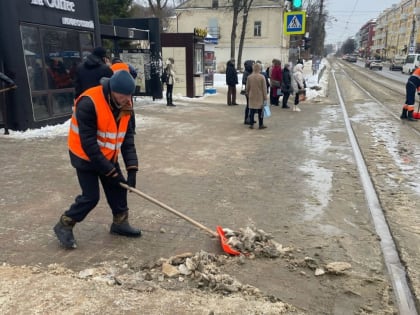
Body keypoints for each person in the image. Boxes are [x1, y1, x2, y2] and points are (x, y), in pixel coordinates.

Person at [53, 70, 141, 249]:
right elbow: (89, 144)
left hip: (108, 154)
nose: (127, 99)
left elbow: (127, 137)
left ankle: (120, 223)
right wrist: (110, 171)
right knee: (91, 197)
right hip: (85, 156)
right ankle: (65, 224)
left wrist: (132, 168)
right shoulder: (89, 103)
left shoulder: (126, 104)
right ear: (112, 91)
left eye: (130, 95)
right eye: (124, 95)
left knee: (118, 187)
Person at [111, 57, 138, 131]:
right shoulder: (127, 66)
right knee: (129, 108)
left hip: (117, 91)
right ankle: (132, 127)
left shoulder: (111, 67)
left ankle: (121, 126)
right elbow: (134, 73)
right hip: (127, 89)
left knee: (119, 109)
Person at [245, 63, 268, 130]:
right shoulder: (262, 77)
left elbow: (247, 87)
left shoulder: (249, 77)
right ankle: (261, 124)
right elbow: (264, 88)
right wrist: (265, 97)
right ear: (259, 68)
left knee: (251, 110)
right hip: (260, 96)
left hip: (252, 95)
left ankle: (251, 124)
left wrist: (247, 93)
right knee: (261, 111)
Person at [242, 60, 255, 124]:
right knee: (249, 105)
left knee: (252, 105)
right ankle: (246, 119)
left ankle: (251, 117)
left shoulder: (251, 71)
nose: (253, 65)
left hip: (252, 90)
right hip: (248, 90)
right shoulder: (246, 72)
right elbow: (244, 81)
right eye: (252, 64)